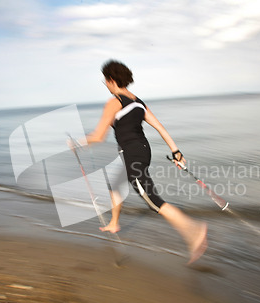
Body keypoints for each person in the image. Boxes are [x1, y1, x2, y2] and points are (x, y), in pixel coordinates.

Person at [84, 60, 207, 264]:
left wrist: (78, 142)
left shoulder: (114, 101)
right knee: (115, 185)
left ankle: (194, 231)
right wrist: (176, 152)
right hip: (142, 151)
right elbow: (160, 127)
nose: (105, 84)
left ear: (111, 80)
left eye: (105, 81)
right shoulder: (138, 102)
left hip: (132, 154)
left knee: (152, 201)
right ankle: (114, 223)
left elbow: (98, 136)